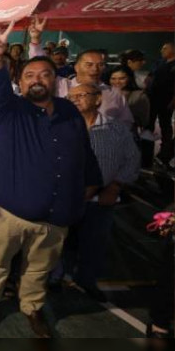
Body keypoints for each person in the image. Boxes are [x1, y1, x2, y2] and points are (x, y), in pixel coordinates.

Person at [0, 20, 102, 338]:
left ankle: (31, 308)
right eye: (29, 75)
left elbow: (84, 154)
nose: (37, 80)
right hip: (9, 212)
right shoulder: (10, 110)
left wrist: (89, 187)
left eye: (44, 74)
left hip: (55, 215)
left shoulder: (69, 112)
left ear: (55, 79)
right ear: (20, 81)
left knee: (39, 268)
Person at [54, 83, 140, 302]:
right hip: (66, 197)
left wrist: (115, 186)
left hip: (101, 198)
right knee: (60, 242)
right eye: (71, 97)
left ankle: (87, 280)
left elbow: (132, 160)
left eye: (82, 95)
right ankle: (56, 278)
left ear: (98, 99)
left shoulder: (117, 129)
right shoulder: (58, 127)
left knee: (94, 243)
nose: (76, 100)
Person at [28, 17, 134, 127]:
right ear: (76, 67)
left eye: (100, 65)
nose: (95, 69)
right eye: (89, 64)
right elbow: (40, 68)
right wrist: (35, 40)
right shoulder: (60, 85)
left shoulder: (114, 94)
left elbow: (126, 124)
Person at [145, 42, 175, 166]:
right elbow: (150, 75)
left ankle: (164, 155)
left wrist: (173, 101)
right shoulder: (160, 62)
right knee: (149, 125)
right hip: (152, 99)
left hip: (166, 101)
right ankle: (146, 154)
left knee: (165, 126)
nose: (161, 50)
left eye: (165, 48)